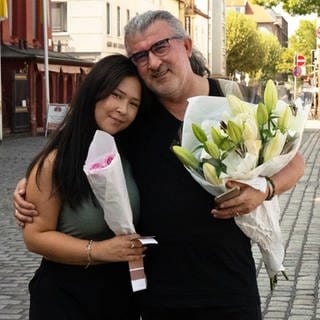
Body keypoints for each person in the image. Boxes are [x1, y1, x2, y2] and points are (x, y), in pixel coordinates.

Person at [14, 10, 305, 320]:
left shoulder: (233, 101)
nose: (152, 62)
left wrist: (266, 188)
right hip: (157, 297)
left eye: (161, 46)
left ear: (187, 46)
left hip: (231, 289)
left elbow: (293, 159)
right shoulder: (136, 114)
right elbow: (80, 153)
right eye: (139, 56)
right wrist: (28, 187)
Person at [17, 54, 146, 320]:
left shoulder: (130, 152)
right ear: (94, 93)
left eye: (133, 103)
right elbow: (35, 236)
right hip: (66, 297)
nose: (123, 109)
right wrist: (99, 251)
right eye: (116, 95)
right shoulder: (56, 161)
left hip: (119, 294)